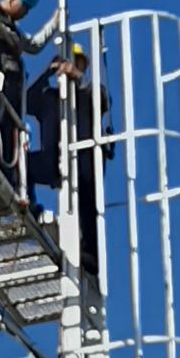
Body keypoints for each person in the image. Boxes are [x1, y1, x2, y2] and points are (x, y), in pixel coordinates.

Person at [26, 38, 113, 283]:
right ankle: (28, 206)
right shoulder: (49, 97)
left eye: (77, 62)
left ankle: (90, 253)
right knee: (21, 165)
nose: (71, 65)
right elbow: (28, 100)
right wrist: (47, 72)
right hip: (53, 161)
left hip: (84, 159)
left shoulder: (88, 94)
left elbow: (103, 100)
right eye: (69, 61)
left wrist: (76, 76)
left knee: (88, 204)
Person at [0, 0, 58, 196]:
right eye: (24, 5)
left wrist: (54, 24)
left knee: (10, 140)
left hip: (13, 89)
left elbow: (33, 45)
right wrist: (15, 40)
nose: (25, 12)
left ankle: (6, 185)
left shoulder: (14, 28)